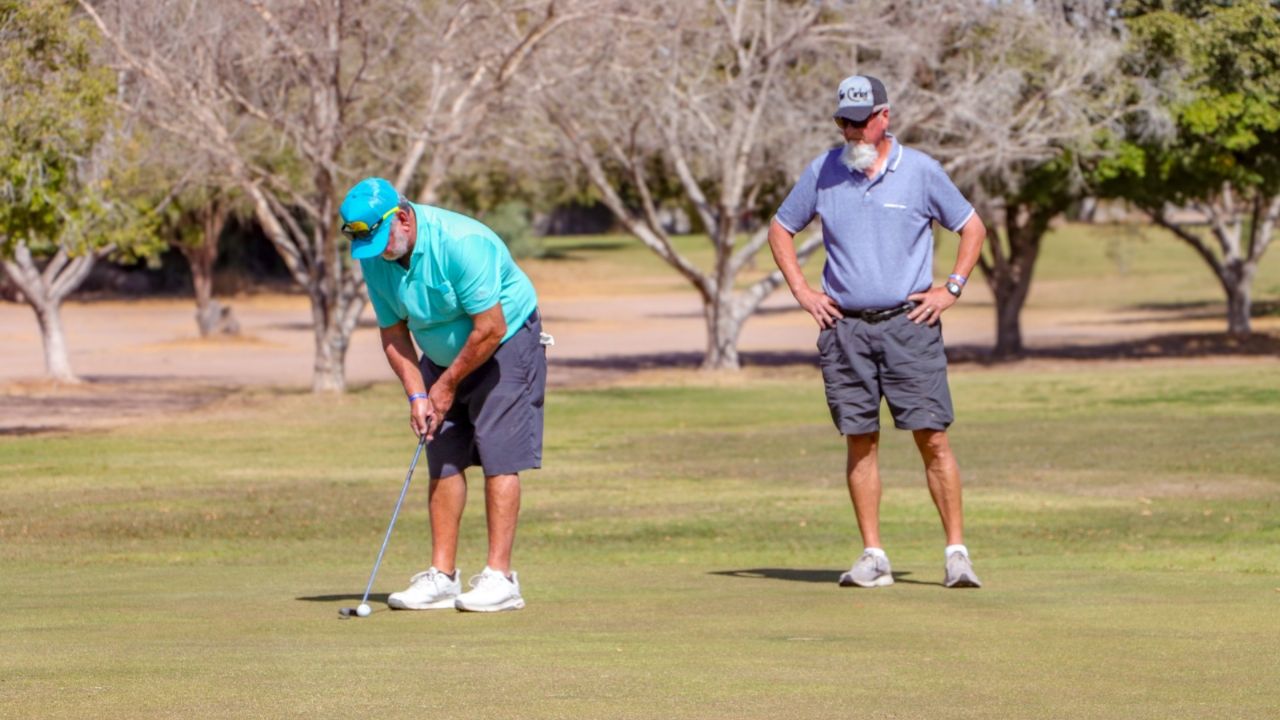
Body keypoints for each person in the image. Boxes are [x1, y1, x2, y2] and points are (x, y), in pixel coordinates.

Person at [767, 75, 986, 589]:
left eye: (861, 122)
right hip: (845, 331)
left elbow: (971, 226)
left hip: (909, 326)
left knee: (932, 438)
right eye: (844, 121)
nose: (852, 131)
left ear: (885, 117)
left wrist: (950, 288)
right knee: (859, 441)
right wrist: (803, 292)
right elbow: (781, 228)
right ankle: (874, 556)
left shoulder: (923, 172)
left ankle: (957, 554)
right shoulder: (822, 172)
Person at [339, 177, 547, 612]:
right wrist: (418, 396)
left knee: (499, 452)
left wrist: (447, 384)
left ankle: (500, 578)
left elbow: (490, 328)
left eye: (380, 239)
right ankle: (442, 577)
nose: (377, 251)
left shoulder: (462, 242)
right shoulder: (375, 257)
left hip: (504, 343)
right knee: (444, 453)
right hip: (442, 353)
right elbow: (394, 333)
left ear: (402, 216)